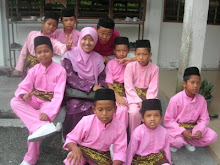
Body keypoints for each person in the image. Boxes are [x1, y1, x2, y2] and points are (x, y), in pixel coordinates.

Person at [10, 36, 67, 165]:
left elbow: (58, 95)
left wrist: (50, 113)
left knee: (34, 129)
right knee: (15, 101)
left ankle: (30, 159)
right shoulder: (34, 70)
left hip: (50, 102)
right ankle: (40, 125)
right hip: (36, 98)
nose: (43, 55)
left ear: (52, 52)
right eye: (39, 52)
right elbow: (24, 86)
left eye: (46, 51)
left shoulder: (60, 70)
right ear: (35, 54)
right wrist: (24, 95)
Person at [61, 27, 107, 139]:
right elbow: (71, 78)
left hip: (94, 94)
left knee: (97, 108)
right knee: (74, 106)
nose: (87, 42)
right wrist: (91, 86)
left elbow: (102, 77)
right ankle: (71, 139)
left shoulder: (98, 58)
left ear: (95, 41)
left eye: (91, 40)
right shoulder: (70, 56)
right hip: (76, 93)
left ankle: (92, 141)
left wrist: (101, 87)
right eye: (84, 39)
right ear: (80, 39)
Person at [63, 88, 127, 165]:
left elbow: (120, 151)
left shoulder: (120, 127)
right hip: (82, 152)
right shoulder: (86, 121)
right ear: (94, 109)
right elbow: (71, 139)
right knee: (72, 161)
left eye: (109, 109)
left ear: (115, 109)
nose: (104, 113)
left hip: (102, 156)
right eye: (100, 109)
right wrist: (75, 149)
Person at [164, 67, 217, 152]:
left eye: (198, 83)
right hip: (178, 129)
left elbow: (205, 118)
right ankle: (182, 140)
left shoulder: (201, 99)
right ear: (184, 84)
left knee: (213, 136)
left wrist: (199, 130)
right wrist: (182, 131)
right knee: (177, 141)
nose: (196, 86)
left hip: (193, 129)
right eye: (192, 82)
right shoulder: (176, 99)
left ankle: (187, 140)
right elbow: (168, 120)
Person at [15, 12, 70, 77]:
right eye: (49, 24)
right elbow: (24, 52)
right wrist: (20, 67)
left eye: (54, 25)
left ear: (56, 28)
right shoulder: (32, 34)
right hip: (29, 65)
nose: (51, 27)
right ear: (43, 23)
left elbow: (60, 47)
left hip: (42, 67)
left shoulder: (52, 41)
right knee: (28, 83)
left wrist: (67, 46)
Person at [124, 40, 159, 135]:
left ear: (150, 55)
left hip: (149, 97)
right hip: (133, 97)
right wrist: (138, 101)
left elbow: (153, 87)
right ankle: (134, 137)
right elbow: (128, 86)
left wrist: (147, 103)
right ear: (135, 54)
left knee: (151, 114)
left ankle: (148, 137)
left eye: (144, 54)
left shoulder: (155, 68)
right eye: (138, 54)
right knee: (134, 112)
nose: (141, 57)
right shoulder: (130, 66)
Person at [126, 99, 171, 165]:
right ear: (142, 118)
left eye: (156, 115)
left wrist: (168, 162)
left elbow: (166, 150)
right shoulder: (137, 132)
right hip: (141, 160)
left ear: (161, 118)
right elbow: (131, 151)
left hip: (158, 158)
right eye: (148, 116)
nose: (152, 119)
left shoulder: (165, 132)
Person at [105, 36, 130, 127]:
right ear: (114, 51)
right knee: (122, 110)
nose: (122, 53)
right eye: (118, 51)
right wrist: (117, 96)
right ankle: (119, 134)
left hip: (129, 92)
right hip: (115, 92)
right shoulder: (111, 64)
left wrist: (131, 60)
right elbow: (109, 83)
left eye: (124, 50)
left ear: (128, 50)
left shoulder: (131, 64)